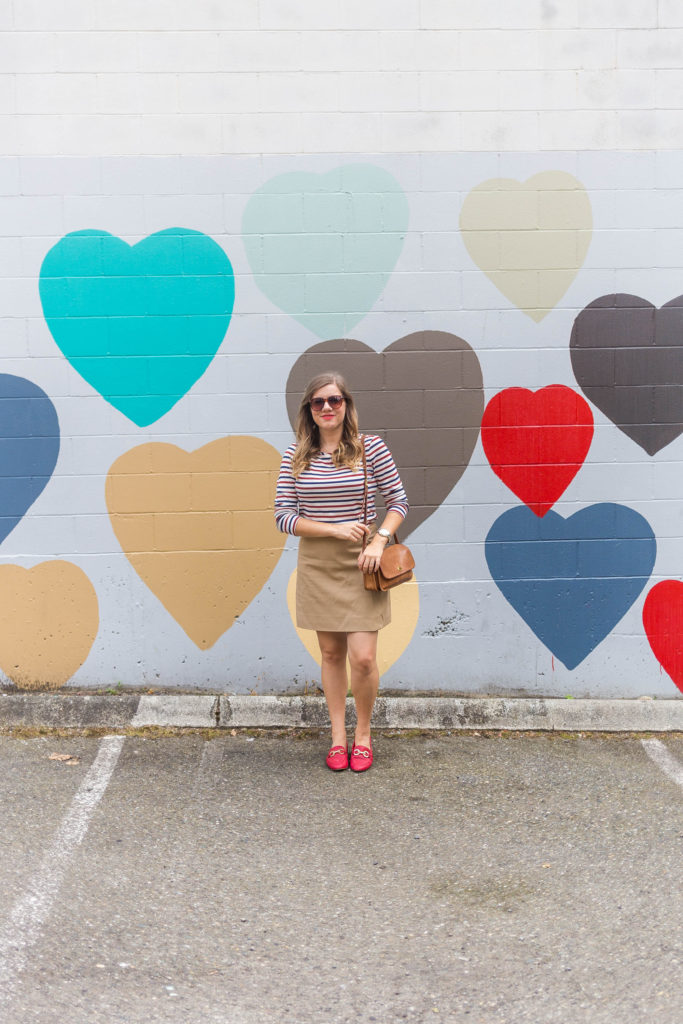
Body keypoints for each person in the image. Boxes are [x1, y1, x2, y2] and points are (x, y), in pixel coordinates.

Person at [275, 372, 409, 773]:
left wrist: (379, 540)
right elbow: (284, 518)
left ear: (346, 405)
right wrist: (333, 529)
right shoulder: (294, 456)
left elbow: (399, 501)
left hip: (361, 562)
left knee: (363, 658)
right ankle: (337, 737)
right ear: (309, 411)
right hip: (317, 563)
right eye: (318, 403)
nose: (327, 408)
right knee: (331, 653)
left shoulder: (371, 449)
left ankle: (363, 735)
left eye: (334, 400)